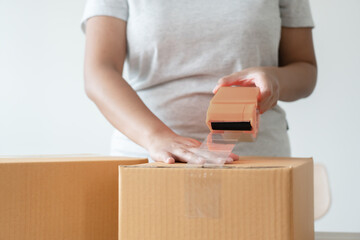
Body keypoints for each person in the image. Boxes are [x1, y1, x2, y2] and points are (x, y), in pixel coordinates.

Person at [81, 0, 317, 164]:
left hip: (255, 160)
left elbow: (305, 68)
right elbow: (99, 70)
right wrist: (155, 136)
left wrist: (275, 80)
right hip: (149, 159)